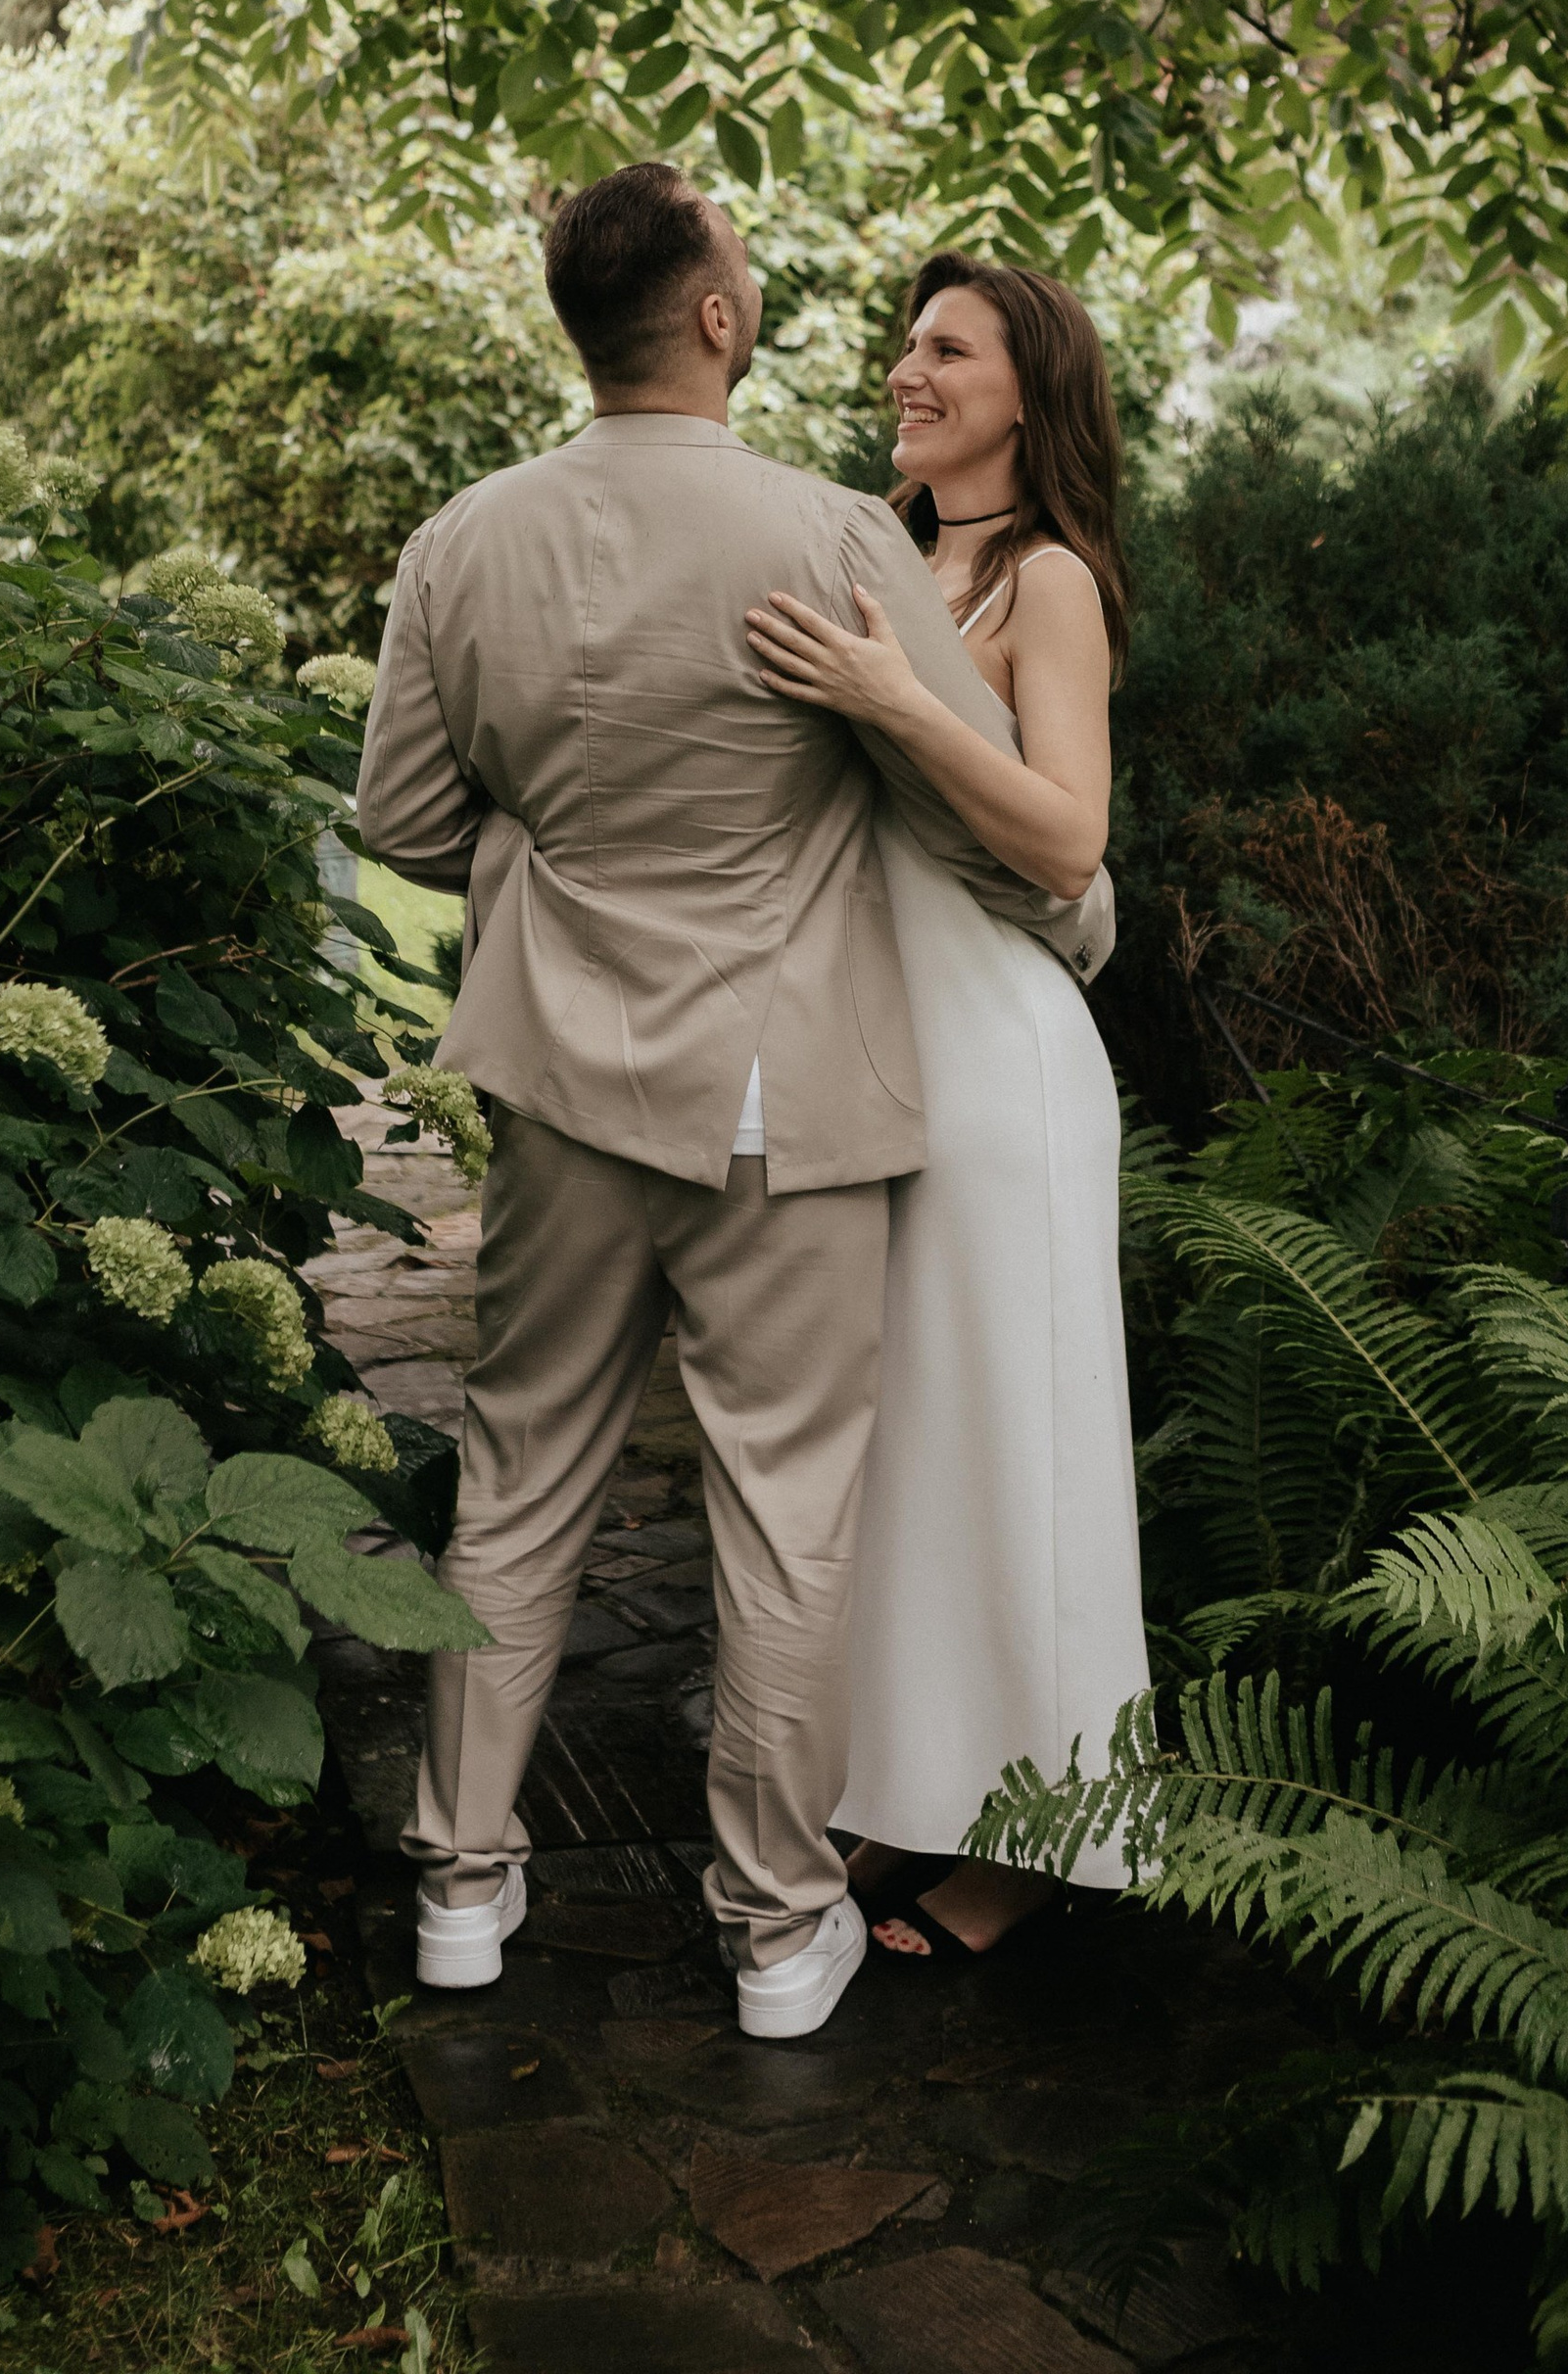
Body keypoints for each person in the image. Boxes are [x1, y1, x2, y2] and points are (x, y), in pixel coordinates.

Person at [356, 166, 1114, 2041]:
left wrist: (563, 851)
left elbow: (404, 825)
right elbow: (994, 829)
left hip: (555, 1093)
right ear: (712, 318)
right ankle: (779, 1932)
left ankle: (461, 1891)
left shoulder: (462, 541)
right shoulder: (834, 534)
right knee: (786, 1509)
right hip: (782, 1107)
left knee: (518, 1481)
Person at [745, 252, 1149, 1961]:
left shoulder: (1049, 582)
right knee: (905, 1450)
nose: (908, 371)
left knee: (1016, 1449)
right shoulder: (885, 558)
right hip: (875, 1058)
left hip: (1004, 1071)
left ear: (1026, 391)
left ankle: (1029, 1848)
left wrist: (900, 698)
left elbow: (1069, 841)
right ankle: (911, 1789)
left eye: (949, 349)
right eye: (906, 346)